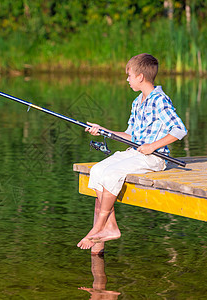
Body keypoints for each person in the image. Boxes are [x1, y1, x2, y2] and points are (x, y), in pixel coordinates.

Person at [77, 53, 187, 251]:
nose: (127, 79)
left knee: (111, 174)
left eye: (129, 75)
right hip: (136, 153)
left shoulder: (159, 100)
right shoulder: (137, 102)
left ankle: (99, 227)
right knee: (97, 170)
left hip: (154, 158)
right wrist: (103, 130)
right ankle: (110, 227)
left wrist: (152, 146)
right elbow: (129, 135)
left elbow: (179, 130)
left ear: (140, 77)